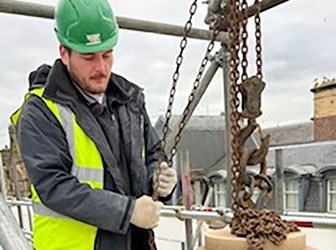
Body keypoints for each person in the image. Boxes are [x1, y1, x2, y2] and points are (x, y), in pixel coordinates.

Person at [11, 0, 178, 249]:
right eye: (88, 57)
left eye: (107, 54)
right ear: (64, 53)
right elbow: (54, 185)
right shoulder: (41, 111)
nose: (100, 67)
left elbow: (153, 153)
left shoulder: (129, 99)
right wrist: (127, 211)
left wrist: (160, 180)